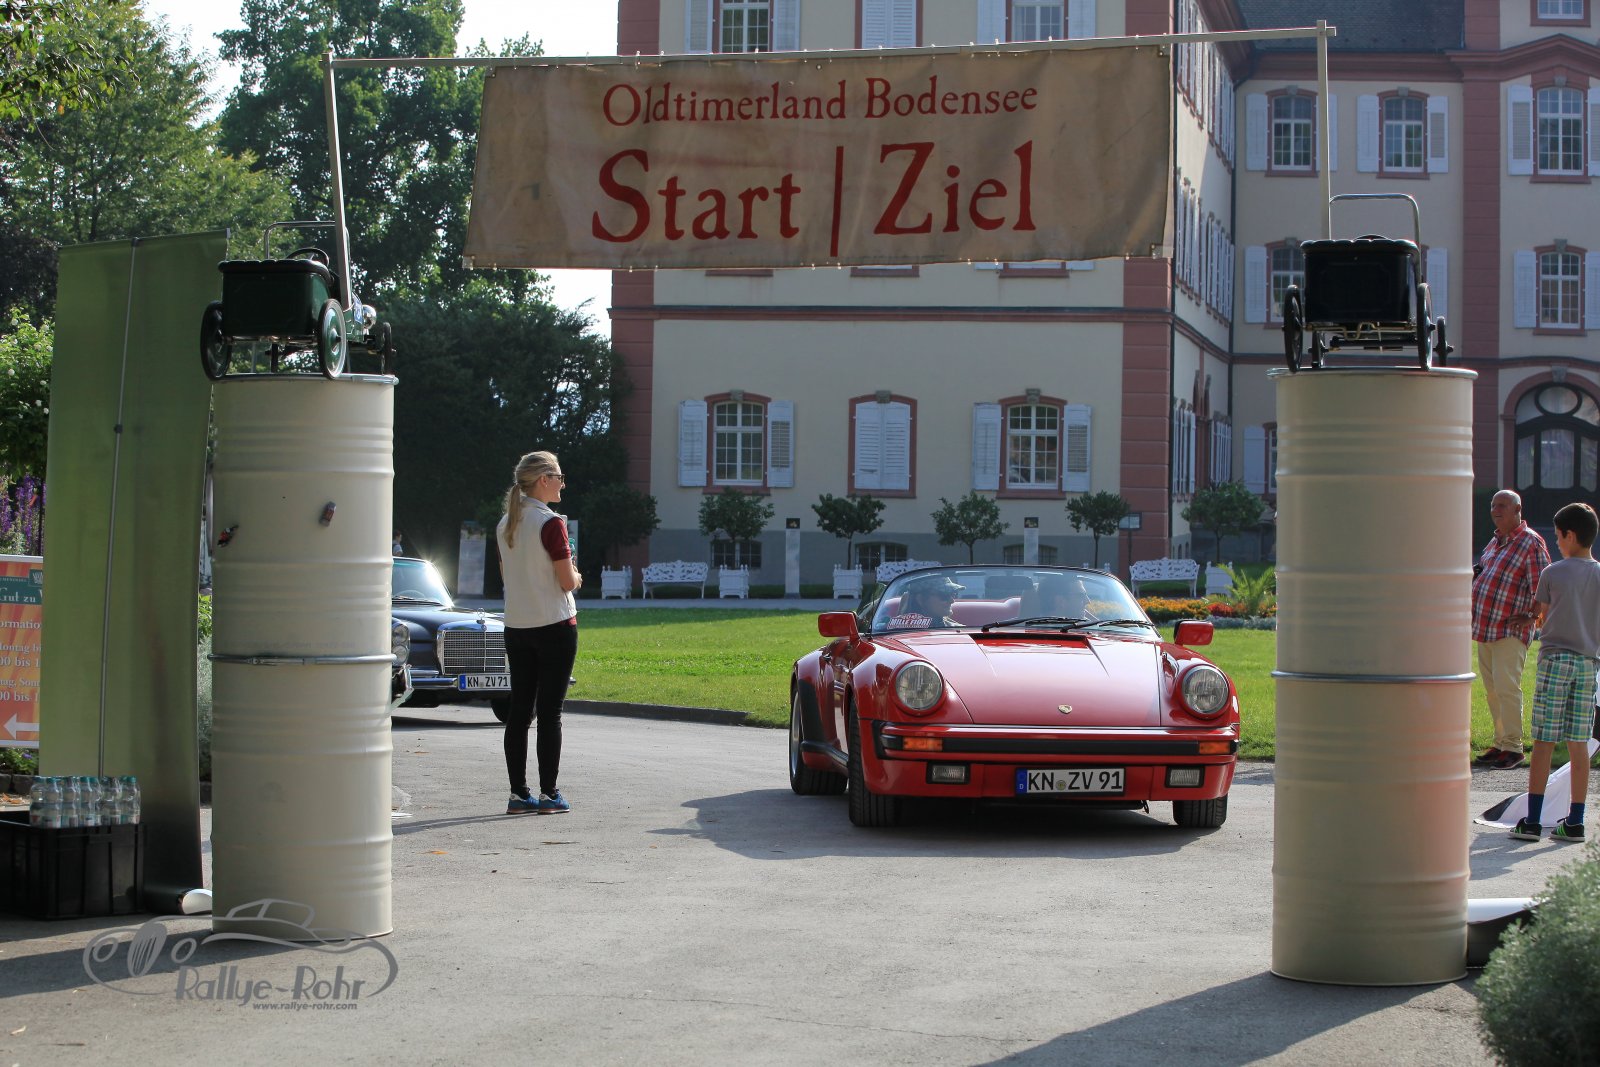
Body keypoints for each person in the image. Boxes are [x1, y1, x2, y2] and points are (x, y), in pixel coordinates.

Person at [495, 451, 580, 815]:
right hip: (554, 624)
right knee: (549, 712)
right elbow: (566, 581)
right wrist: (578, 576)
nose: (563, 484)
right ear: (544, 480)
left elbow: (507, 576)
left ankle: (518, 793)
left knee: (519, 711)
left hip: (517, 625)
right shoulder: (551, 523)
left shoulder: (506, 524)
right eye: (559, 477)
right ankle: (549, 793)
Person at [1510, 502, 1598, 843]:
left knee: (1544, 740)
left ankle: (1532, 821)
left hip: (1555, 660)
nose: (1557, 542)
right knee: (1578, 743)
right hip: (1588, 662)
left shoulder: (1552, 573)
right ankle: (1575, 821)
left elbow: (1544, 616)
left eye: (1559, 536)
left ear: (1569, 535)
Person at [1472, 489, 1551, 770]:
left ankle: (1514, 748)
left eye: (1502, 505)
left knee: (1507, 689)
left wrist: (1532, 616)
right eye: (1494, 505)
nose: (1496, 510)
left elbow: (1544, 585)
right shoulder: (1496, 541)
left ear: (1518, 509)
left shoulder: (1531, 542)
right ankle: (1500, 743)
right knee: (1493, 691)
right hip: (1485, 627)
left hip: (1509, 630)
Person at [887, 575, 964, 628]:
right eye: (944, 595)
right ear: (920, 599)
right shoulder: (891, 631)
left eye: (952, 594)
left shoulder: (959, 631)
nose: (952, 601)